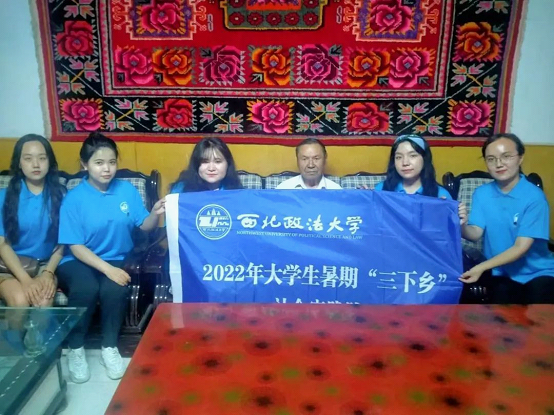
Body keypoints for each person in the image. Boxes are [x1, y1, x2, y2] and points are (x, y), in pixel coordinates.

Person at [57, 132, 166, 383]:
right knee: (86, 288)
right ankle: (76, 348)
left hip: (117, 256)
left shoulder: (126, 190)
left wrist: (155, 213)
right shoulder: (74, 199)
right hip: (79, 259)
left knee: (114, 289)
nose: (106, 169)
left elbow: (145, 226)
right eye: (99, 163)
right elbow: (75, 246)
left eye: (111, 162)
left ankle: (109, 347)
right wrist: (108, 269)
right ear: (85, 164)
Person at [460, 133, 554, 304]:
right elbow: (475, 233)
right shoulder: (482, 193)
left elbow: (520, 247)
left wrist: (480, 267)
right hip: (500, 271)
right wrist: (461, 225)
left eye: (506, 156)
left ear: (520, 157)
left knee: (538, 312)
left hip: (538, 273)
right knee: (501, 312)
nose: (499, 164)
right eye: (491, 159)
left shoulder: (534, 197)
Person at [0, 134, 64, 307]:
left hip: (44, 266)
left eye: (42, 158)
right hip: (8, 266)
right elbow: (2, 245)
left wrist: (48, 273)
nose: (36, 164)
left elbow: (64, 243)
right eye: (28, 159)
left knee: (43, 301)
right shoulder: (4, 197)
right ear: (19, 163)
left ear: (49, 161)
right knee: (20, 300)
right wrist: (26, 280)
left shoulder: (62, 196)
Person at [374, 134, 452, 198]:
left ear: (425, 159)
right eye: (398, 157)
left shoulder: (440, 194)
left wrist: (448, 209)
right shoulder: (381, 189)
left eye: (413, 156)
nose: (405, 163)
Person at [170, 137, 243, 193]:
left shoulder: (237, 191)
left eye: (218, 162)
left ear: (228, 164)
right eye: (205, 162)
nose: (211, 168)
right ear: (196, 164)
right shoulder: (181, 190)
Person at [276, 138, 342, 189]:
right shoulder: (283, 189)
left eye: (316, 158)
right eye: (304, 159)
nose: (311, 165)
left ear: (324, 160)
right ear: (297, 161)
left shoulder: (336, 190)